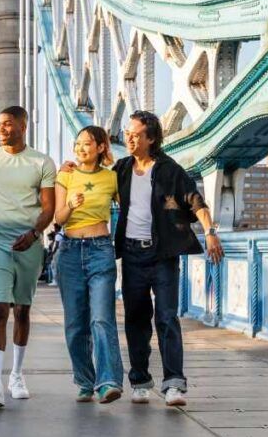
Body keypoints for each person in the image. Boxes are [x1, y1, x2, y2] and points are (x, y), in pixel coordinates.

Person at [60, 111, 223, 407]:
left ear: (151, 138)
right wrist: (74, 167)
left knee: (166, 317)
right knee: (136, 320)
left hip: (162, 254)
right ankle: (139, 380)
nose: (129, 138)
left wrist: (210, 231)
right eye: (128, 133)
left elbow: (194, 200)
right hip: (132, 252)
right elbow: (95, 177)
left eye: (135, 134)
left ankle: (174, 383)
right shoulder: (120, 169)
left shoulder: (169, 170)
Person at [0, 106, 56, 408]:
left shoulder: (41, 162)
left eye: (8, 124)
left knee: (23, 311)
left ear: (23, 126)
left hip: (29, 238)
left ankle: (16, 374)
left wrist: (32, 234)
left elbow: (48, 208)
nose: (1, 129)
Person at [52, 126, 124, 404]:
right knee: (75, 324)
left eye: (88, 144)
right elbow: (59, 218)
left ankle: (107, 382)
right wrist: (70, 204)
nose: (82, 149)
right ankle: (84, 380)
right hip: (70, 252)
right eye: (78, 144)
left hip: (100, 249)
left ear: (102, 147)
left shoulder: (112, 178)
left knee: (102, 318)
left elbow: (134, 205)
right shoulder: (66, 174)